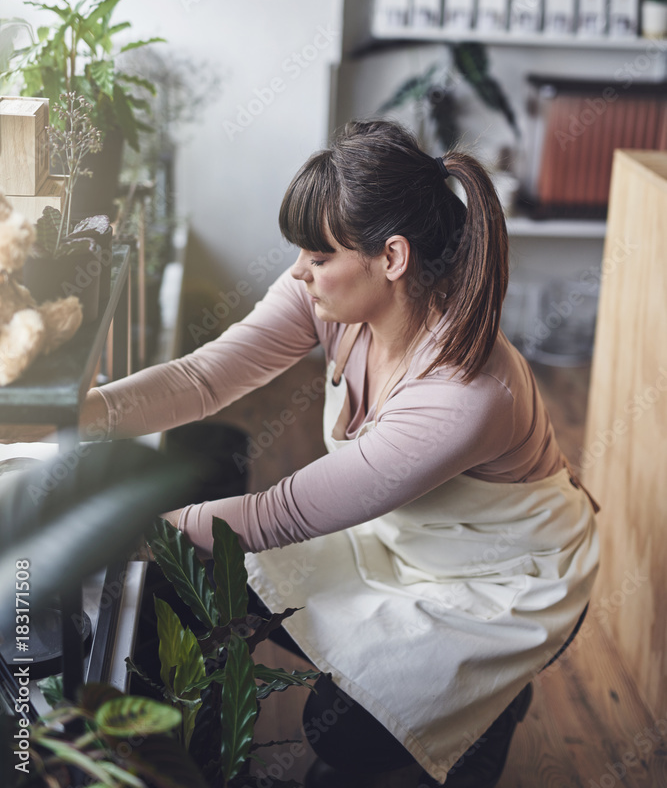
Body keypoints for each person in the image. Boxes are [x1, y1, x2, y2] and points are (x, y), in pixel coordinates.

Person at [81, 119, 600, 787]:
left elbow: (279, 516)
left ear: (391, 258)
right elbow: (202, 378)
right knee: (189, 582)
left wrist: (128, 532)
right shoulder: (328, 299)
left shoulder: (466, 392)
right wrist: (81, 414)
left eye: (319, 257)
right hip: (395, 536)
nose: (299, 271)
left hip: (499, 582)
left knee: (347, 738)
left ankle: (491, 702)